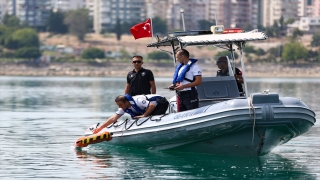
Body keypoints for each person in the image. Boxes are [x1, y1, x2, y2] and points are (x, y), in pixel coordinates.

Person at [93, 94, 169, 134]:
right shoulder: (123, 107)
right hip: (150, 107)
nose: (120, 107)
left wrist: (144, 115)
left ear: (126, 102)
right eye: (118, 106)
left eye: (121, 105)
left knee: (151, 117)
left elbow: (152, 105)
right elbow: (113, 118)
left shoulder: (138, 100)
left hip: (160, 102)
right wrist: (100, 128)